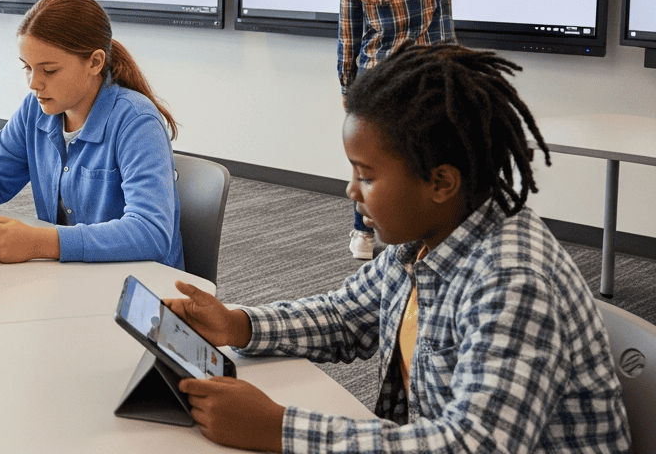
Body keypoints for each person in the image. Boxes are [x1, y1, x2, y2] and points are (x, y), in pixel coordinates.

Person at [162, 43, 630, 453]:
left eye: (366, 176)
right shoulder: (424, 242)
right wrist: (236, 323)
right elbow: (343, 317)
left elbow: (474, 446)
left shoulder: (513, 281)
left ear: (440, 182)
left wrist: (281, 428)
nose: (351, 190)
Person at [337, 0, 559, 259]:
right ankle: (430, 234)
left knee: (374, 163)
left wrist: (348, 91)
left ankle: (364, 233)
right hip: (427, 82)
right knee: (428, 159)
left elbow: (348, 38)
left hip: (374, 82)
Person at [0, 0, 182, 267]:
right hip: (73, 276)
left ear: (95, 62)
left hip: (135, 286)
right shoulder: (36, 108)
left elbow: (150, 233)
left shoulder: (136, 121)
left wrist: (40, 242)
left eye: (49, 70)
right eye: (27, 67)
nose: (33, 83)